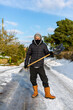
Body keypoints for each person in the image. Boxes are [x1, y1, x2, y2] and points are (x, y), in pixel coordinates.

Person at [24, 33, 56, 99]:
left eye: (38, 38)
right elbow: (28, 55)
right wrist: (26, 63)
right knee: (32, 79)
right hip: (32, 65)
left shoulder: (44, 45)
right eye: (36, 38)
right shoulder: (31, 45)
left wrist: (50, 53)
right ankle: (35, 92)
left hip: (40, 65)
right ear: (34, 38)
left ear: (40, 38)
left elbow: (47, 53)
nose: (37, 39)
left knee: (44, 79)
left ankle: (47, 94)